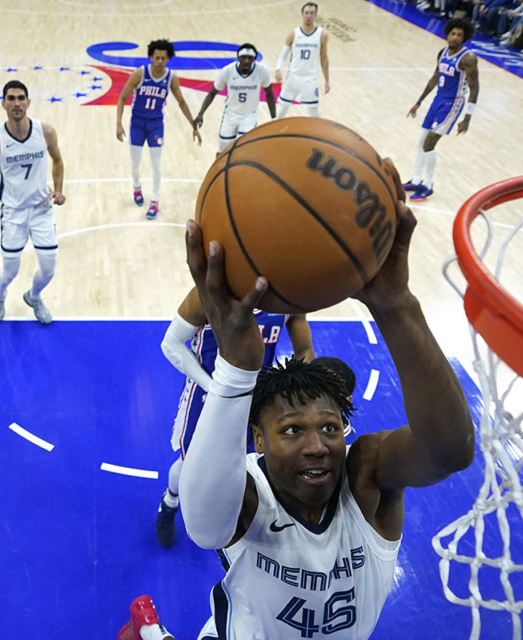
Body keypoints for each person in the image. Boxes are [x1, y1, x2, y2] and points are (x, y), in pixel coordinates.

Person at [119, 165, 476, 640]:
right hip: (224, 388)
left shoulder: (365, 476)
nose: (316, 445)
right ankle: (148, 631)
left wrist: (396, 306)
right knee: (187, 469)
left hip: (248, 386)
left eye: (329, 427)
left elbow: (450, 451)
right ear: (258, 441)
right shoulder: (248, 494)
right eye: (292, 430)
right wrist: (232, 374)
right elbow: (204, 529)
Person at [154, 286, 315, 548]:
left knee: (250, 465)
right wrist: (215, 388)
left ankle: (241, 526)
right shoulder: (209, 292)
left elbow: (305, 350)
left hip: (257, 400)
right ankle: (170, 501)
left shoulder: (288, 294)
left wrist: (295, 389)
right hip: (205, 395)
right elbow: (170, 344)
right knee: (189, 464)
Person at [0, 80, 65, 325]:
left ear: (28, 102)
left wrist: (58, 190)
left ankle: (34, 296)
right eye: (11, 98)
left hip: (42, 209)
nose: (16, 103)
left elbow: (58, 161)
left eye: (21, 98)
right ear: (3, 103)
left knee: (49, 269)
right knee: (10, 271)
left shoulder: (46, 132)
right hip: (13, 213)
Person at [116, 39, 202, 220]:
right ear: (151, 57)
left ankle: (154, 200)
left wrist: (193, 126)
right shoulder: (140, 74)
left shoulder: (171, 78)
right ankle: (137, 185)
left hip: (155, 124)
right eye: (157, 58)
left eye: (163, 58)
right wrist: (118, 123)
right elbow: (122, 98)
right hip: (137, 123)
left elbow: (182, 102)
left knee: (156, 163)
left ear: (168, 58)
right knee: (135, 164)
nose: (160, 61)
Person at [403, 18, 480, 202]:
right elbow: (434, 78)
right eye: (452, 33)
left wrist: (467, 117)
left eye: (459, 35)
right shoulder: (442, 52)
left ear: (464, 38)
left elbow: (475, 87)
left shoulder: (468, 59)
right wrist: (419, 102)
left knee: (429, 144)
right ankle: (416, 179)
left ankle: (428, 185)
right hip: (438, 100)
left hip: (452, 104)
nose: (454, 37)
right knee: (422, 141)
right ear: (447, 34)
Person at [193, 43, 276, 154]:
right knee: (222, 151)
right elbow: (212, 93)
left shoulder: (262, 71)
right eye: (244, 57)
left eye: (250, 58)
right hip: (230, 115)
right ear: (238, 58)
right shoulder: (227, 71)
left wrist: (274, 118)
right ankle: (219, 171)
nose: (246, 61)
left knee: (245, 149)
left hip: (249, 116)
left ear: (254, 59)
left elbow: (269, 94)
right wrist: (200, 113)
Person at [275, 2, 330, 118]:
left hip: (310, 78)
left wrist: (327, 80)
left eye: (311, 13)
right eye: (306, 13)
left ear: (316, 15)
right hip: (293, 76)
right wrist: (278, 69)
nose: (308, 16)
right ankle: (273, 132)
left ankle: (318, 134)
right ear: (302, 15)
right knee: (282, 109)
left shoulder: (322, 35)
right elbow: (283, 55)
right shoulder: (294, 34)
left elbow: (324, 59)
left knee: (313, 111)